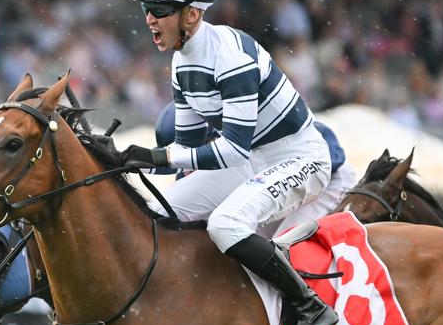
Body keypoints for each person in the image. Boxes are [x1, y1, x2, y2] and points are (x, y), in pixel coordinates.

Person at [122, 0, 338, 325]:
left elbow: (231, 149)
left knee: (226, 223)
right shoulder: (180, 61)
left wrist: (156, 158)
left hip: (300, 158)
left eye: (157, 9)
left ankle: (311, 307)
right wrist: (119, 161)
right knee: (154, 208)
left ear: (191, 15)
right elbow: (187, 148)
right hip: (253, 160)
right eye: (144, 8)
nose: (148, 18)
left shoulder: (230, 59)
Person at [153, 100, 358, 235]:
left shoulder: (254, 134)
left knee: (289, 247)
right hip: (280, 195)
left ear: (217, 138)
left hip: (329, 181)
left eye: (191, 155)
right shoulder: (188, 176)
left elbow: (329, 151)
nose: (186, 168)